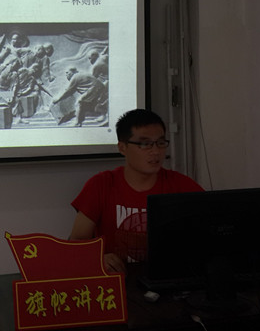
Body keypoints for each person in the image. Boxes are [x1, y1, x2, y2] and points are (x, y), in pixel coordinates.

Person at [68, 109, 203, 273]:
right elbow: (76, 242)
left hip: (168, 277)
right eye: (145, 144)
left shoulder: (182, 185)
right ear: (122, 147)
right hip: (118, 279)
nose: (155, 151)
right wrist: (97, 258)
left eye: (161, 143)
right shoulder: (101, 184)